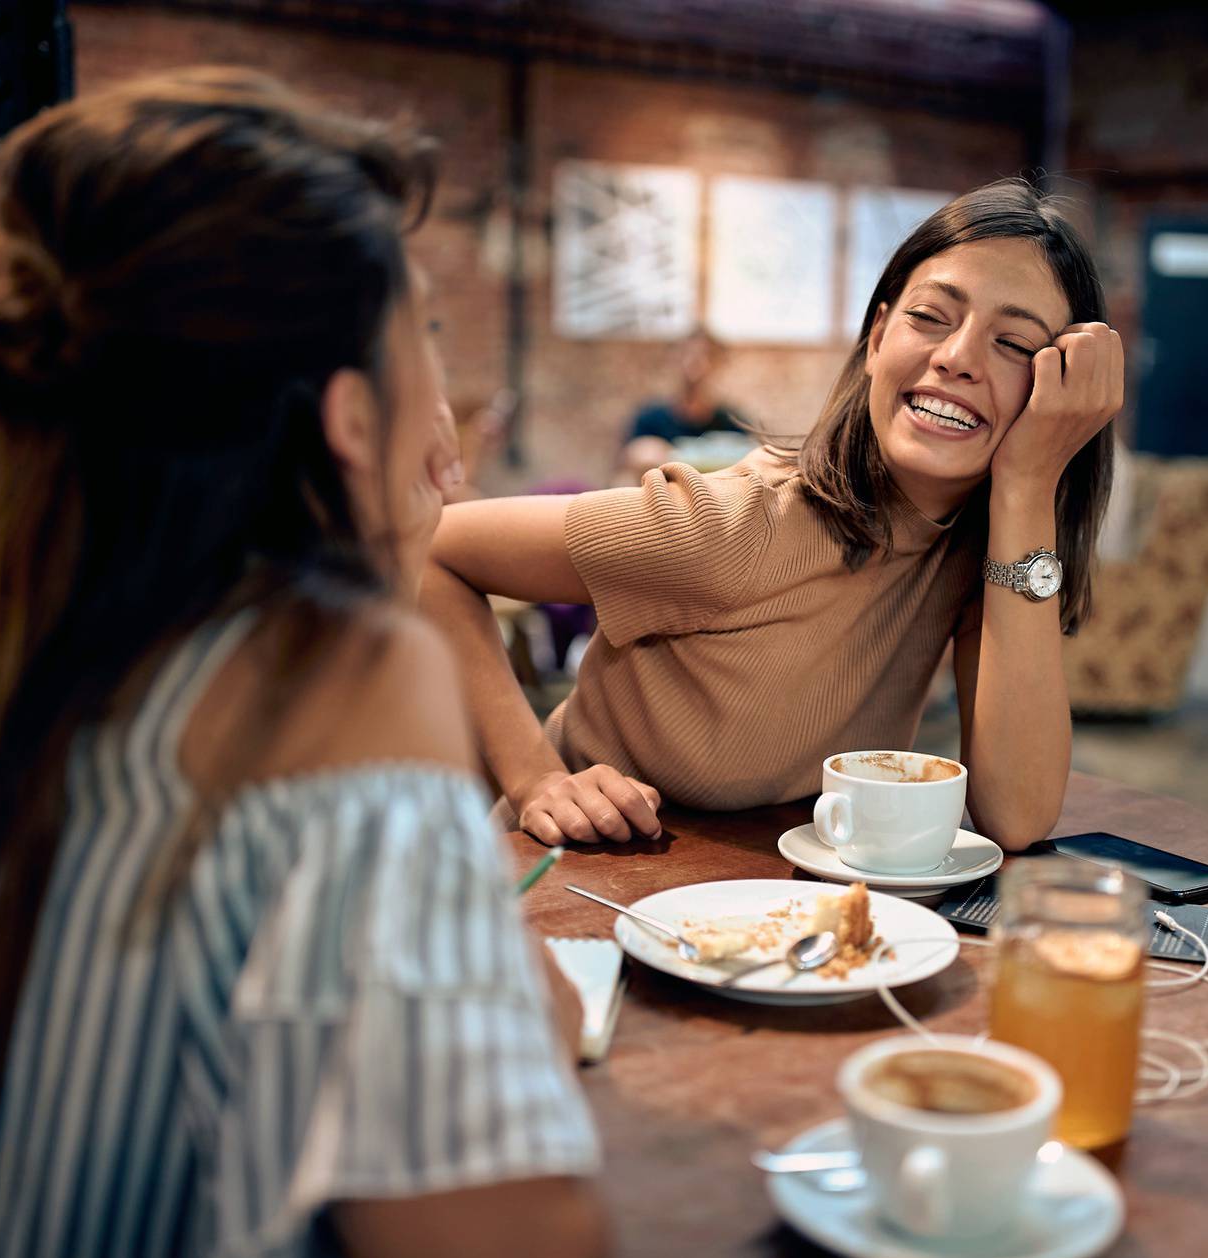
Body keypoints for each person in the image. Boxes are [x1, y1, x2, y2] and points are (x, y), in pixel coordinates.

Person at [0, 69, 608, 1258]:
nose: (447, 387)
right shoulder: (348, 674)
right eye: (419, 328)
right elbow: (520, 1251)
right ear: (348, 419)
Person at [424, 179, 1121, 851]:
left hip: (742, 903)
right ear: (878, 338)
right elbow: (429, 548)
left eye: (1015, 344)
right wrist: (534, 777)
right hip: (565, 887)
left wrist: (1029, 487)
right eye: (930, 316)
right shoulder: (737, 526)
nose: (957, 357)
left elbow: (1018, 814)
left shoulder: (973, 553)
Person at [615, 329, 747, 483]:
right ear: (674, 359)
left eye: (707, 355)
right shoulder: (649, 420)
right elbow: (625, 470)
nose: (696, 364)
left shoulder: (733, 422)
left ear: (720, 363)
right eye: (687, 354)